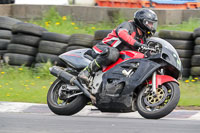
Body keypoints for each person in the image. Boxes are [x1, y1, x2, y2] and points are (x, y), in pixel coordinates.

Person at [78, 9, 158, 84]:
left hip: (118, 57)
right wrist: (137, 44)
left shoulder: (142, 38)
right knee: (113, 54)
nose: (152, 26)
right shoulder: (128, 25)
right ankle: (86, 72)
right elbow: (122, 34)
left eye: (153, 24)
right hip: (103, 49)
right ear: (143, 22)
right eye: (150, 23)